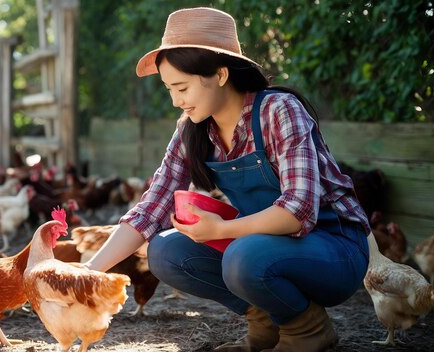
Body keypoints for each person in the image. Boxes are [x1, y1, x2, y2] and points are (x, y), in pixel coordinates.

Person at [85, 7, 370, 352]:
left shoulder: (278, 110)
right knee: (164, 251)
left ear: (220, 74)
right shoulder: (192, 130)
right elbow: (151, 208)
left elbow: (299, 210)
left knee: (242, 255)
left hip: (334, 248)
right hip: (264, 244)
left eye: (182, 87)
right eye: (169, 89)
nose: (176, 101)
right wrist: (89, 270)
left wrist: (220, 231)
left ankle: (307, 331)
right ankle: (266, 323)